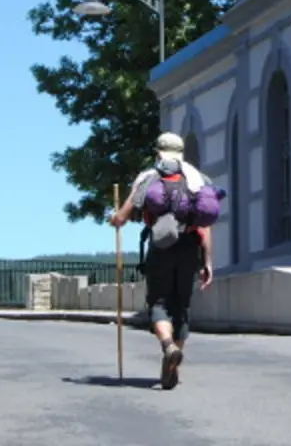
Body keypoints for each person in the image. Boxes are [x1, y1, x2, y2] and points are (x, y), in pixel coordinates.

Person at [109, 132, 215, 391]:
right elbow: (205, 225)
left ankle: (168, 346)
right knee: (182, 307)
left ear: (158, 152)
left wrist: (115, 219)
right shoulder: (197, 179)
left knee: (159, 302)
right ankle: (172, 366)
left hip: (161, 247)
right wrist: (208, 262)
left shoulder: (148, 178)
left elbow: (123, 216)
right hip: (190, 248)